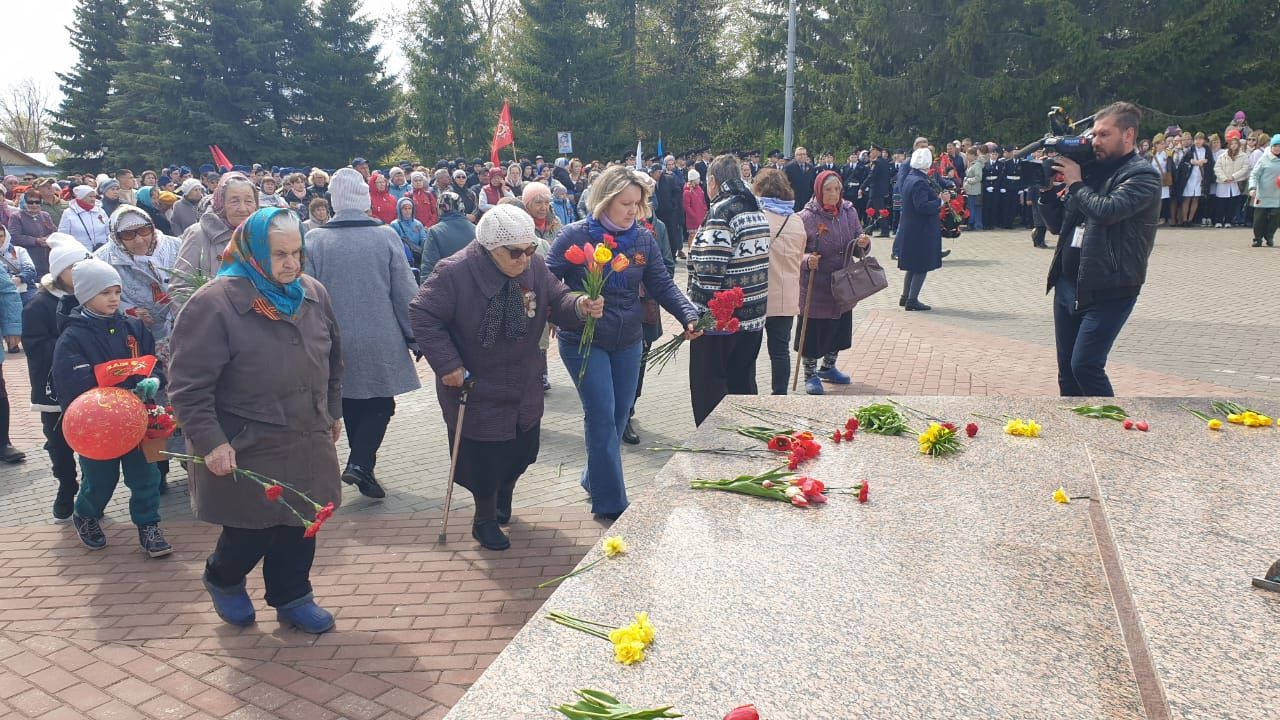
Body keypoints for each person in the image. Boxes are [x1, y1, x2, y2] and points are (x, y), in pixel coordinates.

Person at [169, 208, 343, 633]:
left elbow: (334, 361)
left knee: (302, 523)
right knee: (251, 530)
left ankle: (292, 596)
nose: (291, 263)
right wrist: (211, 441)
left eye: (296, 252)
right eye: (279, 254)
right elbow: (188, 386)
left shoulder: (313, 293)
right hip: (247, 442)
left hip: (306, 435)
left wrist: (333, 412)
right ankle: (223, 577)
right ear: (251, 252)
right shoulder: (214, 304)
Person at [411, 205, 602, 550]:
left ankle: (504, 495)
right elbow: (422, 313)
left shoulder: (534, 265)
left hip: (523, 378)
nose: (524, 259)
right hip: (475, 381)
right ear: (488, 249)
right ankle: (483, 518)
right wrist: (448, 364)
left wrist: (578, 306)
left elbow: (556, 298)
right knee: (483, 457)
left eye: (529, 249)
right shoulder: (454, 273)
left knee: (522, 450)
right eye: (515, 253)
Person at [547, 165, 700, 520]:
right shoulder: (573, 235)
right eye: (625, 203)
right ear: (604, 201)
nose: (633, 210)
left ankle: (593, 477)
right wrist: (577, 303)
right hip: (584, 340)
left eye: (638, 203)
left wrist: (687, 314)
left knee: (618, 415)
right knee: (601, 415)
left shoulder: (643, 238)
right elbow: (546, 283)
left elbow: (662, 283)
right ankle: (611, 504)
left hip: (629, 338)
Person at [304, 168, 420, 498]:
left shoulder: (314, 240)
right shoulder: (385, 236)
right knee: (381, 403)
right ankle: (360, 463)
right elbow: (404, 291)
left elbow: (307, 294)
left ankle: (362, 466)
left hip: (333, 338)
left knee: (351, 402)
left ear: (334, 201)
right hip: (381, 336)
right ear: (365, 198)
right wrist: (414, 335)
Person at [1038, 101, 1160, 397]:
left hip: (1110, 289)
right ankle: (1072, 434)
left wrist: (1077, 183)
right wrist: (1045, 193)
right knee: (1067, 372)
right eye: (1094, 134)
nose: (1095, 141)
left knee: (1086, 367)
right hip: (1068, 285)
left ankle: (1112, 428)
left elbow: (1107, 211)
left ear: (1128, 135)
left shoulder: (1142, 175)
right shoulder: (1089, 171)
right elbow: (1059, 225)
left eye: (1104, 135)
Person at [52, 258, 171, 556]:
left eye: (116, 291)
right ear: (85, 295)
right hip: (97, 425)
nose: (113, 298)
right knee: (100, 479)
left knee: (146, 476)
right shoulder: (72, 336)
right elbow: (72, 381)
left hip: (138, 417)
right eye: (104, 292)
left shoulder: (133, 327)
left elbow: (152, 364)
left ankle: (148, 526)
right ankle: (87, 514)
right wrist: (112, 393)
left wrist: (153, 381)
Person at [687, 154, 770, 419]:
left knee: (710, 385)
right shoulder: (756, 206)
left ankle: (715, 444)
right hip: (754, 314)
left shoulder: (721, 212)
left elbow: (710, 270)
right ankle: (742, 437)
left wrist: (695, 314)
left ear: (712, 181)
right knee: (743, 382)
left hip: (720, 319)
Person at [23, 235, 90, 517]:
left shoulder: (91, 297)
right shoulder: (38, 306)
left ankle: (89, 489)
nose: (79, 272)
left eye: (83, 265)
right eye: (72, 267)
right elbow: (35, 347)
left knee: (89, 439)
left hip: (87, 385)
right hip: (53, 389)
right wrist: (72, 343)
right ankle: (66, 484)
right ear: (58, 271)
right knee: (58, 442)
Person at [794, 170, 870, 394]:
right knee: (813, 332)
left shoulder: (848, 212)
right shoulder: (806, 217)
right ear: (818, 190)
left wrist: (863, 243)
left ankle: (829, 367)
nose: (833, 194)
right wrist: (807, 260)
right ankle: (810, 374)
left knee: (839, 326)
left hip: (843, 283)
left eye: (837, 189)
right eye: (828, 189)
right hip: (816, 287)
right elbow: (794, 253)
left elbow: (857, 240)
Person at [172, 172, 258, 313]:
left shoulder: (262, 234)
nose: (243, 209)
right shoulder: (198, 234)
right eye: (234, 201)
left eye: (249, 201)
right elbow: (180, 289)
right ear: (220, 202)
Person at [754, 168, 806, 395]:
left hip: (759, 295)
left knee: (750, 352)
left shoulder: (759, 218)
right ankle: (780, 394)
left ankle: (749, 394)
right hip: (787, 298)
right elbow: (800, 255)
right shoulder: (796, 221)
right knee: (780, 351)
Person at [896, 148, 947, 312]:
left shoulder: (911, 177)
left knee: (912, 265)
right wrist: (940, 202)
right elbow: (922, 206)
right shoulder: (919, 181)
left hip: (911, 227)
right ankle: (912, 299)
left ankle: (905, 296)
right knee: (921, 265)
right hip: (920, 229)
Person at [420, 191, 476, 278]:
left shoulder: (435, 231)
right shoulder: (476, 229)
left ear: (440, 208)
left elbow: (428, 267)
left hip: (447, 285)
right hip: (475, 286)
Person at [12, 185, 60, 274]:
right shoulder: (16, 216)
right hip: (28, 257)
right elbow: (15, 237)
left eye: (37, 202)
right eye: (30, 202)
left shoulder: (45, 215)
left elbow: (54, 231)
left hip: (46, 257)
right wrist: (36, 240)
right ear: (24, 202)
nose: (34, 205)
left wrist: (48, 239)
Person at [2, 200, 41, 308]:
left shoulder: (19, 251)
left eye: (1, 236)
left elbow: (30, 269)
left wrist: (19, 279)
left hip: (24, 292)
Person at [1247, 134, 1280, 247]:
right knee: (1259, 219)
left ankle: (1269, 236)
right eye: (1275, 145)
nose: (1277, 148)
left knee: (1275, 219)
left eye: (1279, 146)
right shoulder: (1264, 159)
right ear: (1271, 146)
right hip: (1262, 195)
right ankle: (1257, 238)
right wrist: (1252, 188)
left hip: (1277, 196)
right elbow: (1254, 174)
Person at [1213, 137, 1249, 228]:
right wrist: (1224, 178)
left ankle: (1229, 220)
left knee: (1232, 202)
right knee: (1220, 203)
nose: (1233, 145)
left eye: (1236, 144)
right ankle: (1218, 221)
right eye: (1232, 143)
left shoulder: (1243, 156)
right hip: (1223, 182)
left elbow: (1244, 168)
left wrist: (1233, 177)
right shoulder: (1222, 155)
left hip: (1235, 182)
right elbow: (1217, 168)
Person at [390, 196, 427, 272]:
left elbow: (423, 239)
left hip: (417, 256)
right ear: (400, 210)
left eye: (409, 208)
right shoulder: (395, 224)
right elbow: (395, 243)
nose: (407, 211)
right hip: (403, 258)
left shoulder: (418, 224)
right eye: (405, 209)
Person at [682, 169, 708, 253]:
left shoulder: (699, 188)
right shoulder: (687, 191)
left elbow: (703, 201)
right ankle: (690, 252)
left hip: (701, 215)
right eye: (698, 178)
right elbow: (687, 206)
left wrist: (705, 209)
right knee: (692, 235)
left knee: (700, 234)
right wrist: (694, 215)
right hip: (693, 218)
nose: (699, 180)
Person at [784, 147, 816, 211]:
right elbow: (785, 184)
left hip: (807, 201)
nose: (802, 156)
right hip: (794, 201)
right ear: (795, 156)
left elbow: (813, 184)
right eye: (800, 154)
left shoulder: (811, 168)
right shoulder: (788, 168)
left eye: (804, 154)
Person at [963, 146, 984, 230]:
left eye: (968, 155)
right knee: (971, 207)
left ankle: (972, 224)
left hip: (974, 190)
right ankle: (973, 223)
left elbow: (978, 177)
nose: (967, 156)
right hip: (970, 189)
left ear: (973, 155)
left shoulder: (977, 164)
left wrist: (968, 180)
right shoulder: (972, 163)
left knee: (972, 207)